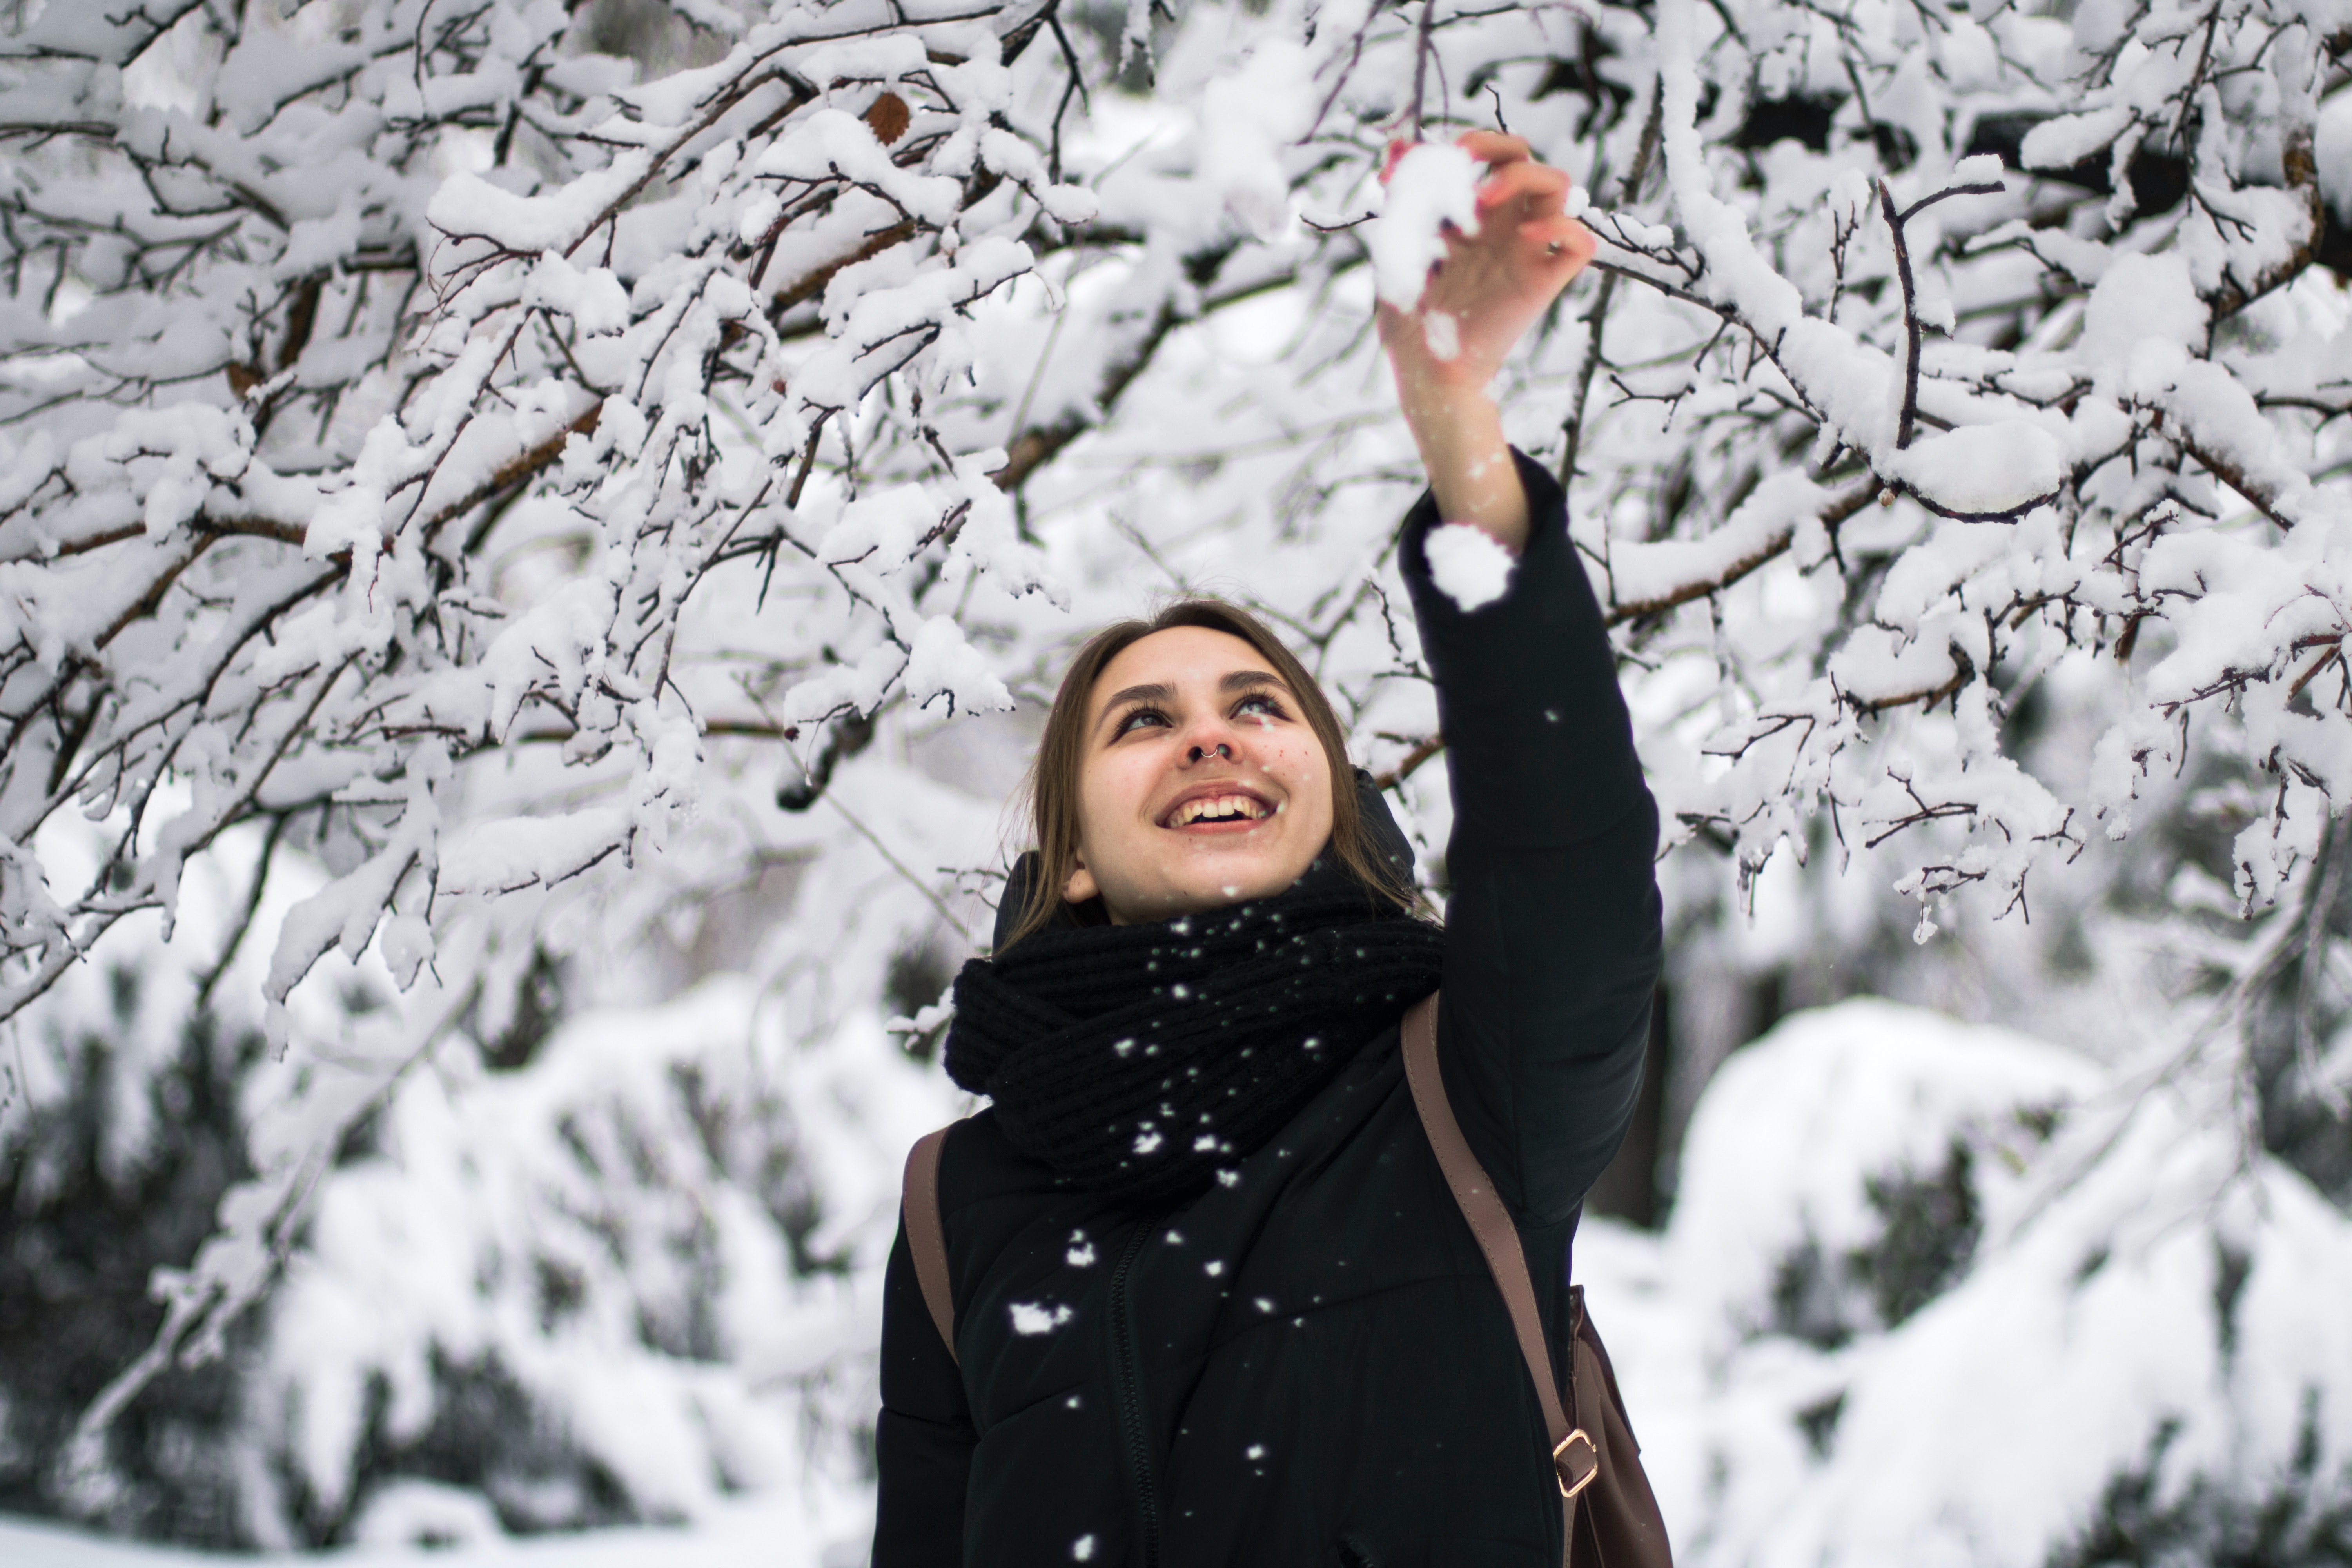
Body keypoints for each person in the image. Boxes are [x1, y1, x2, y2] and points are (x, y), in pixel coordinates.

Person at [872, 132, 1661, 1566]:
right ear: (1081, 858)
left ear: (1330, 798)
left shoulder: (1467, 1084)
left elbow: (1573, 857)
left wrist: (1457, 429)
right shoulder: (957, 1205)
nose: (1213, 737)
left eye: (1257, 706)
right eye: (1144, 722)